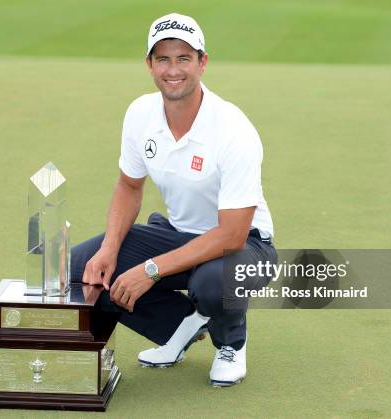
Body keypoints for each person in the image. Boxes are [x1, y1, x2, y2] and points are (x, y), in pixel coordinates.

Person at [71, 12, 277, 387]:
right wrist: (110, 247)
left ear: (203, 62)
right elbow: (129, 186)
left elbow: (231, 235)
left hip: (246, 246)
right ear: (149, 64)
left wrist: (150, 269)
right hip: (180, 235)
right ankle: (178, 326)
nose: (173, 69)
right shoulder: (140, 113)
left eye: (184, 58)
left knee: (212, 285)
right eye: (163, 59)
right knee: (82, 268)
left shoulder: (233, 128)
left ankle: (231, 343)